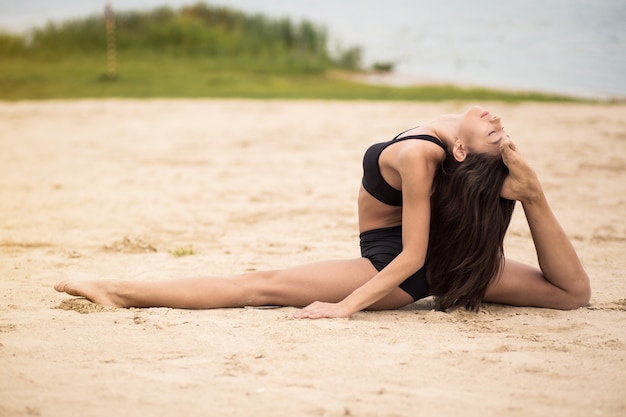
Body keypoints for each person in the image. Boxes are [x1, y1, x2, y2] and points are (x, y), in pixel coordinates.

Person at [54, 105, 591, 319]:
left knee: (258, 284)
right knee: (569, 296)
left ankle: (118, 291)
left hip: (398, 264)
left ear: (460, 154)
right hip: (444, 257)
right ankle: (118, 290)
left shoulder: (421, 155)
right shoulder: (452, 134)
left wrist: (345, 308)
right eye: (501, 128)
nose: (497, 120)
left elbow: (412, 256)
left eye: (497, 132)